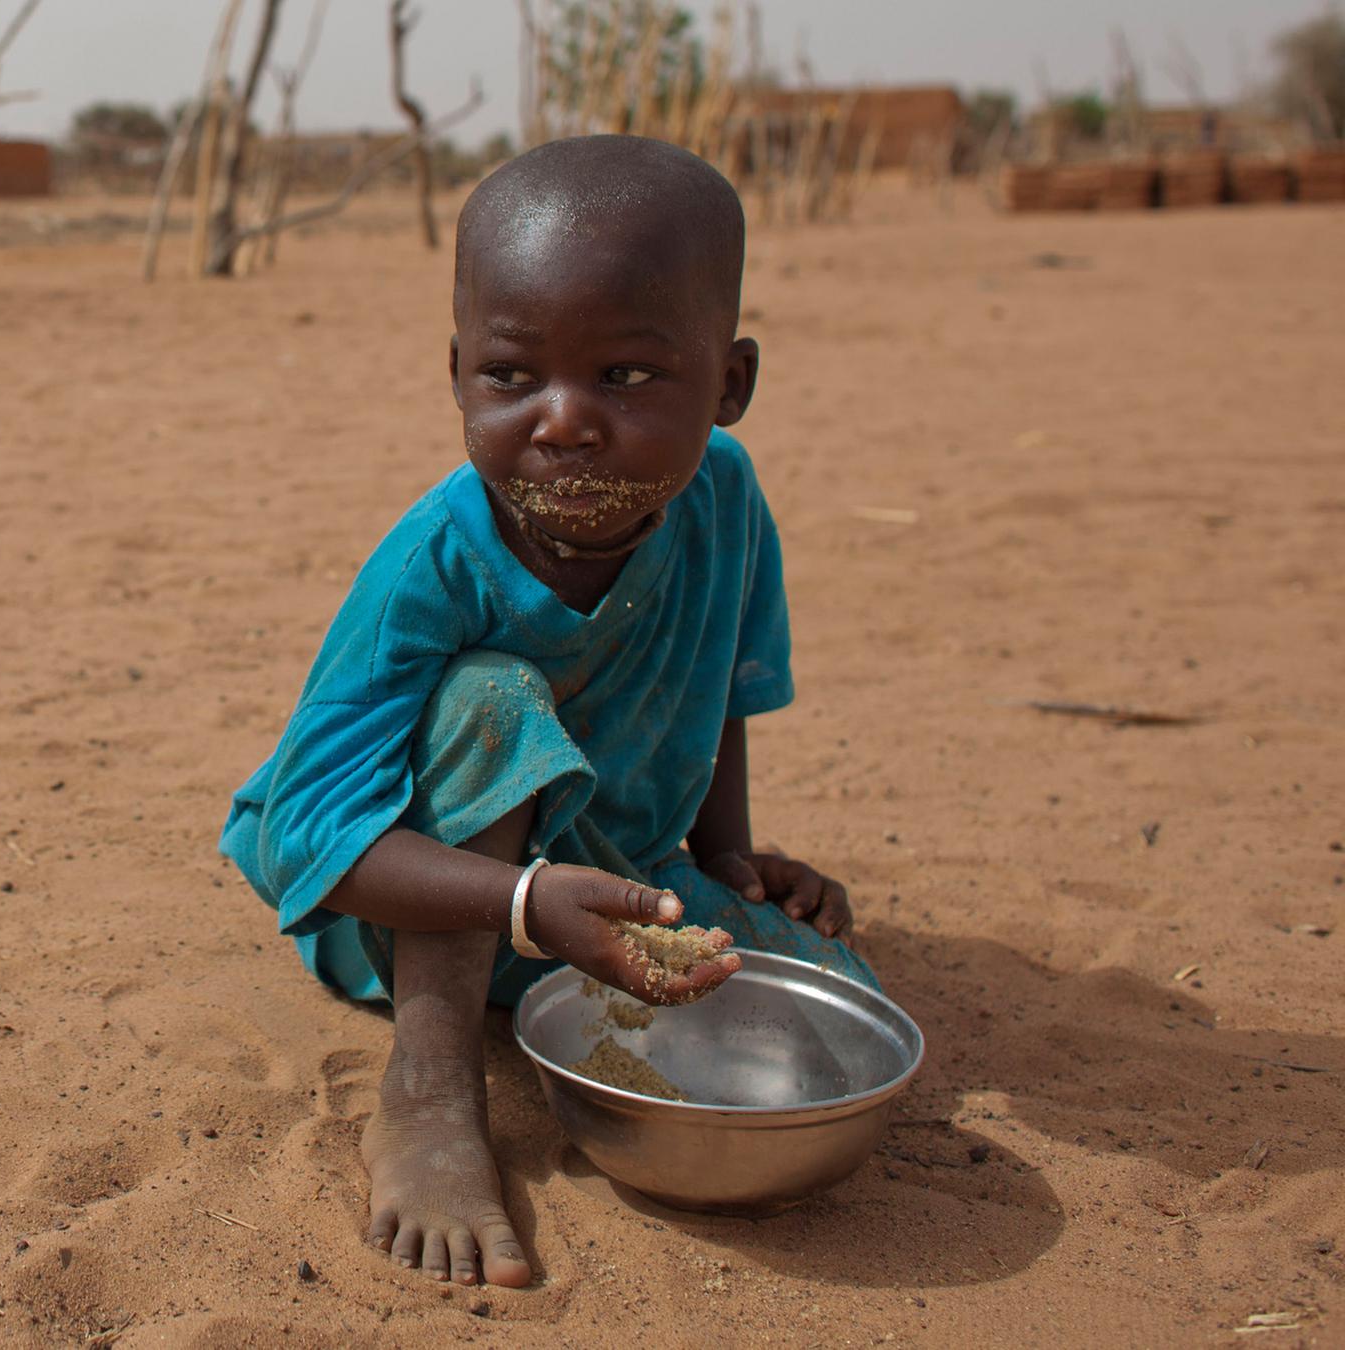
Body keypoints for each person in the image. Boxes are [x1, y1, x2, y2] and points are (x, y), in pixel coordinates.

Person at [219, 135, 873, 1290]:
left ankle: (571, 949)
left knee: (836, 991)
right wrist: (520, 897)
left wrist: (729, 858)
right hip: (397, 898)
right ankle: (428, 1091)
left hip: (601, 886)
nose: (563, 422)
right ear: (459, 369)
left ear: (729, 387)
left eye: (625, 377)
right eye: (513, 378)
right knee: (491, 698)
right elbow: (303, 838)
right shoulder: (436, 561)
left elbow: (720, 683)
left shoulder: (724, 500)